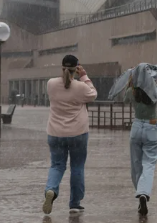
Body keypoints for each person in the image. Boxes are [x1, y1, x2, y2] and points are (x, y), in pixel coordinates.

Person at [42, 55, 97, 215]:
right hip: (78, 133)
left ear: (62, 68)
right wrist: (84, 75)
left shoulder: (51, 84)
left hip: (55, 132)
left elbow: (63, 86)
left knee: (57, 165)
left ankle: (51, 190)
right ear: (76, 68)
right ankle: (74, 203)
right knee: (77, 167)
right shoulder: (80, 87)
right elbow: (93, 94)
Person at [125, 65, 157, 216]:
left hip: (136, 126)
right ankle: (143, 192)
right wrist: (156, 81)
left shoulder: (130, 92)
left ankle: (140, 193)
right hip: (152, 126)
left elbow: (126, 97)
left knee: (136, 164)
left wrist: (131, 82)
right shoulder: (153, 90)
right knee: (149, 163)